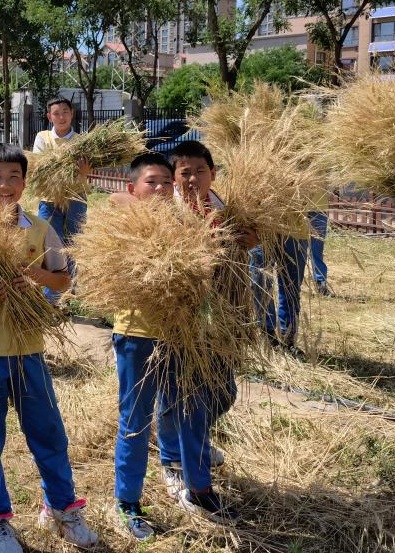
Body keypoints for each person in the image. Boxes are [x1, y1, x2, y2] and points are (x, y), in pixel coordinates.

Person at [0, 144, 98, 553]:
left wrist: (35, 274)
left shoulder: (40, 229)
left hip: (28, 348)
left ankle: (61, 508)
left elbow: (62, 279)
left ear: (25, 184)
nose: (5, 184)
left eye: (14, 177)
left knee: (49, 432)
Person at [161, 139, 246, 524]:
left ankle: (186, 444)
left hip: (223, 317)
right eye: (185, 172)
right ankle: (187, 475)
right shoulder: (167, 213)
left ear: (213, 173)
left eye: (200, 170)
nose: (193, 178)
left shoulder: (228, 210)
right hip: (183, 318)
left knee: (224, 391)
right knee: (187, 396)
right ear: (174, 177)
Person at [109, 153, 176, 539]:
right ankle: (127, 501)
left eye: (167, 182)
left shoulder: (184, 224)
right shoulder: (123, 221)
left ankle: (182, 476)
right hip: (136, 334)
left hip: (178, 334)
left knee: (180, 408)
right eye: (151, 182)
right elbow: (113, 201)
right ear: (132, 187)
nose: (161, 188)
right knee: (136, 420)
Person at [32, 98, 90, 247]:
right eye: (56, 113)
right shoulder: (42, 137)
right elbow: (40, 166)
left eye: (65, 112)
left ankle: (71, 264)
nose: (61, 117)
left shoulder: (82, 141)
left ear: (72, 113)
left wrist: (83, 173)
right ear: (49, 117)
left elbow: (86, 169)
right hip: (49, 197)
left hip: (76, 196)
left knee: (74, 240)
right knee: (48, 239)